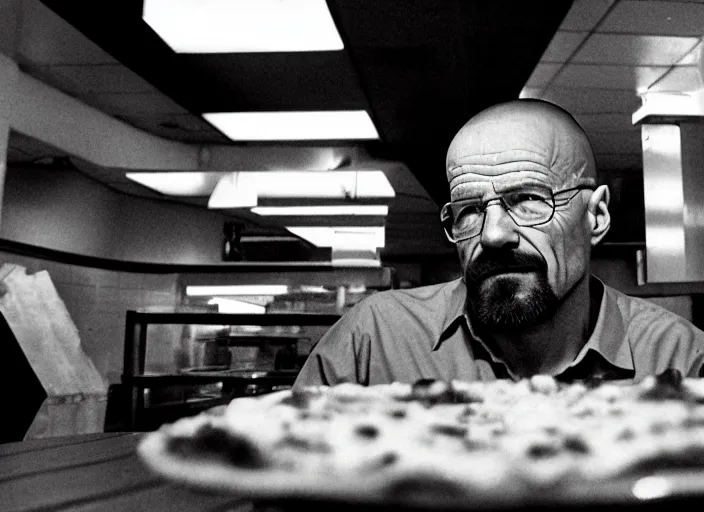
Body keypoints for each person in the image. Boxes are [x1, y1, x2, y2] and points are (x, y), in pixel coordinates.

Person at [294, 99, 704, 388]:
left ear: (595, 217)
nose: (492, 235)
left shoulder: (681, 361)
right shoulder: (373, 342)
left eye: (527, 200)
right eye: (470, 210)